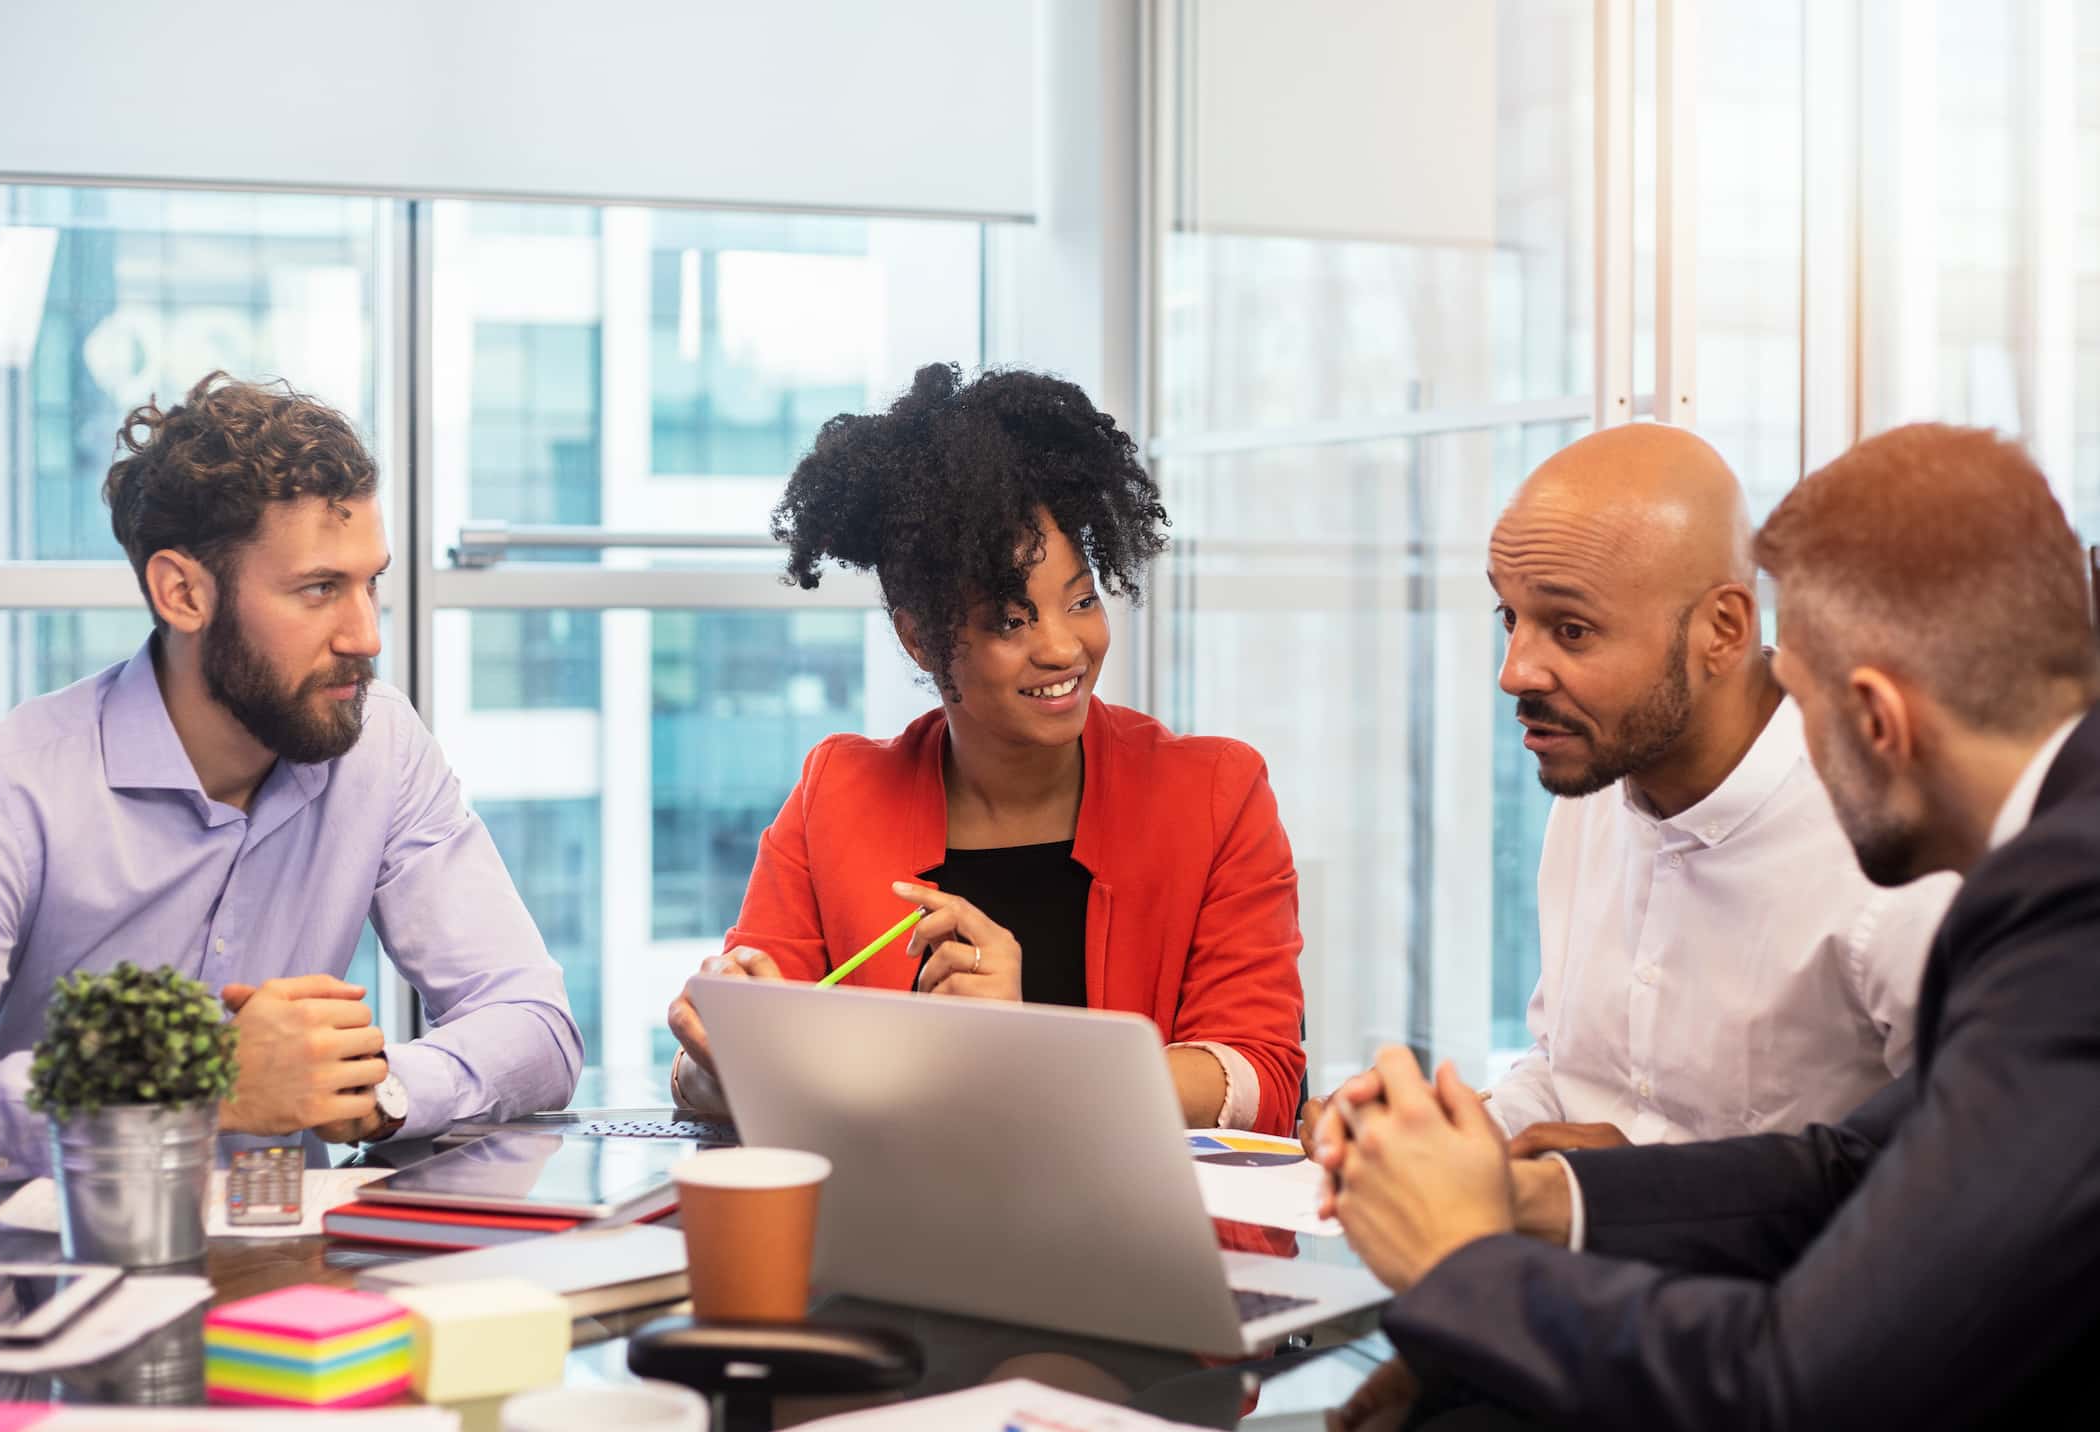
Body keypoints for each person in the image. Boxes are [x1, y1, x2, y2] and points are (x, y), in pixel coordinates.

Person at [1316, 423, 2100, 1429]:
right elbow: (1853, 1166)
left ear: (1877, 720)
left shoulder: (2064, 911)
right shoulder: (2061, 866)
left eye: (1801, 706)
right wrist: (1528, 1200)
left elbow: (1796, 1383)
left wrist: (1466, 1268)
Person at [0, 374, 581, 1182]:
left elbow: (535, 1022)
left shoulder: (379, 743)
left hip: (291, 1268)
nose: (365, 635)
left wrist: (381, 1090)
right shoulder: (1, 793)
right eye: (319, 589)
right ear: (183, 593)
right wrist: (199, 1087)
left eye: (372, 582)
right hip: (47, 1274)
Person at [667, 363, 1306, 1133]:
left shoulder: (1213, 793)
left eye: (1081, 600)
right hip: (901, 1235)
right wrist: (719, 1048)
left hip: (1135, 1236)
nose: (1065, 647)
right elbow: (730, 1063)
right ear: (920, 639)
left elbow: (1261, 1080)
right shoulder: (837, 794)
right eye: (1012, 621)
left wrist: (1025, 1050)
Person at [1300, 425, 1953, 1157]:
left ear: (1723, 630)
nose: (1514, 672)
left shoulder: (1897, 848)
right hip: (1576, 1259)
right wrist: (1455, 1130)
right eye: (1509, 618)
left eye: (1571, 630)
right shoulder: (1598, 784)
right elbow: (1572, 1074)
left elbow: (1957, 1186)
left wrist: (1641, 1193)